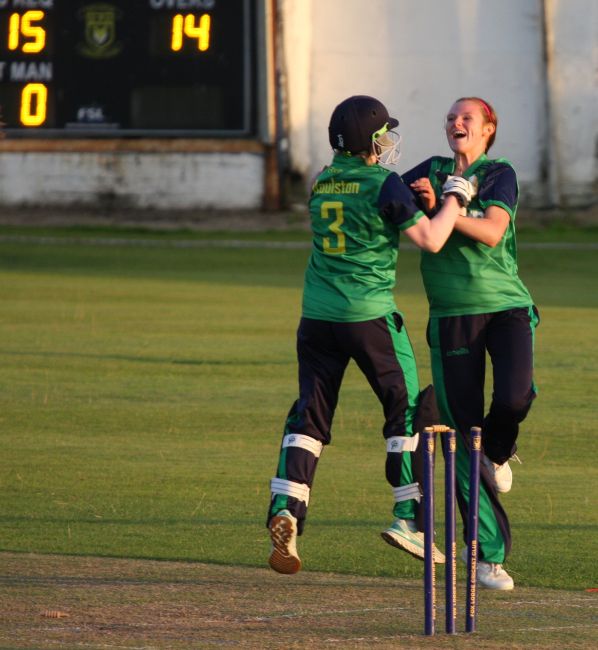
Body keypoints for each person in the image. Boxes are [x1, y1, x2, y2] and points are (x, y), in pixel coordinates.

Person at [266, 95, 476, 574]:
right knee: (405, 412)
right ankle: (409, 517)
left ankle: (286, 510)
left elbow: (365, 201)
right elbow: (432, 239)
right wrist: (455, 198)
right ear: (371, 141)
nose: (387, 142)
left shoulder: (320, 181)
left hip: (316, 318)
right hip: (370, 317)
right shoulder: (383, 183)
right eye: (383, 135)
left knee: (309, 417)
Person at [402, 96, 540, 590]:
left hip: (505, 304)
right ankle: (486, 555)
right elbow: (384, 198)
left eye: (467, 118)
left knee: (515, 397)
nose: (456, 123)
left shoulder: (499, 172)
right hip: (452, 313)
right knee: (463, 433)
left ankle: (497, 452)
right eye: (450, 117)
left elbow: (492, 231)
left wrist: (447, 207)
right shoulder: (432, 170)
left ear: (487, 129)